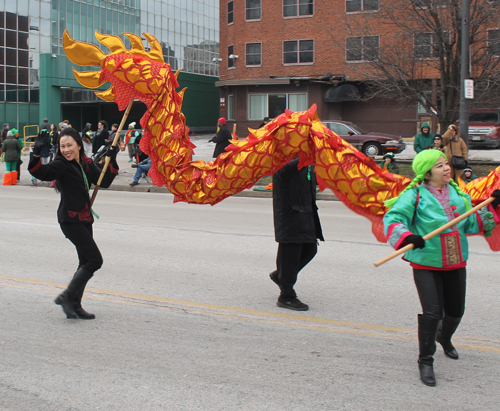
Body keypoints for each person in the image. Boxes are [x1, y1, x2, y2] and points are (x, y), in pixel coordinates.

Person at [383, 149, 500, 387]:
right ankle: (425, 360)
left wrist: (494, 207)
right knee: (433, 312)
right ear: (427, 174)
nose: (446, 168)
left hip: (456, 260)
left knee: (456, 311)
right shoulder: (415, 195)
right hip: (426, 261)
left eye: (446, 163)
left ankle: (444, 338)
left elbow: (470, 222)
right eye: (439, 166)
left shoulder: (458, 195)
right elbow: (394, 218)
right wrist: (407, 237)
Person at [28, 127, 119, 319]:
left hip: (85, 219)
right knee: (95, 260)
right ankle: (67, 297)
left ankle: (75, 305)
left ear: (79, 145)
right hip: (70, 220)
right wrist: (36, 153)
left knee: (85, 261)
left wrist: (113, 157)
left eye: (69, 145)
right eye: (62, 146)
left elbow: (104, 182)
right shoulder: (61, 164)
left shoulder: (85, 163)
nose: (66, 149)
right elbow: (41, 172)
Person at [269, 157, 324, 311]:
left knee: (310, 249)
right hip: (290, 214)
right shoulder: (282, 154)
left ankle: (280, 275)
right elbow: (283, 171)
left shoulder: (303, 156)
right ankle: (286, 296)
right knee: (290, 255)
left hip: (305, 213)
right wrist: (305, 155)